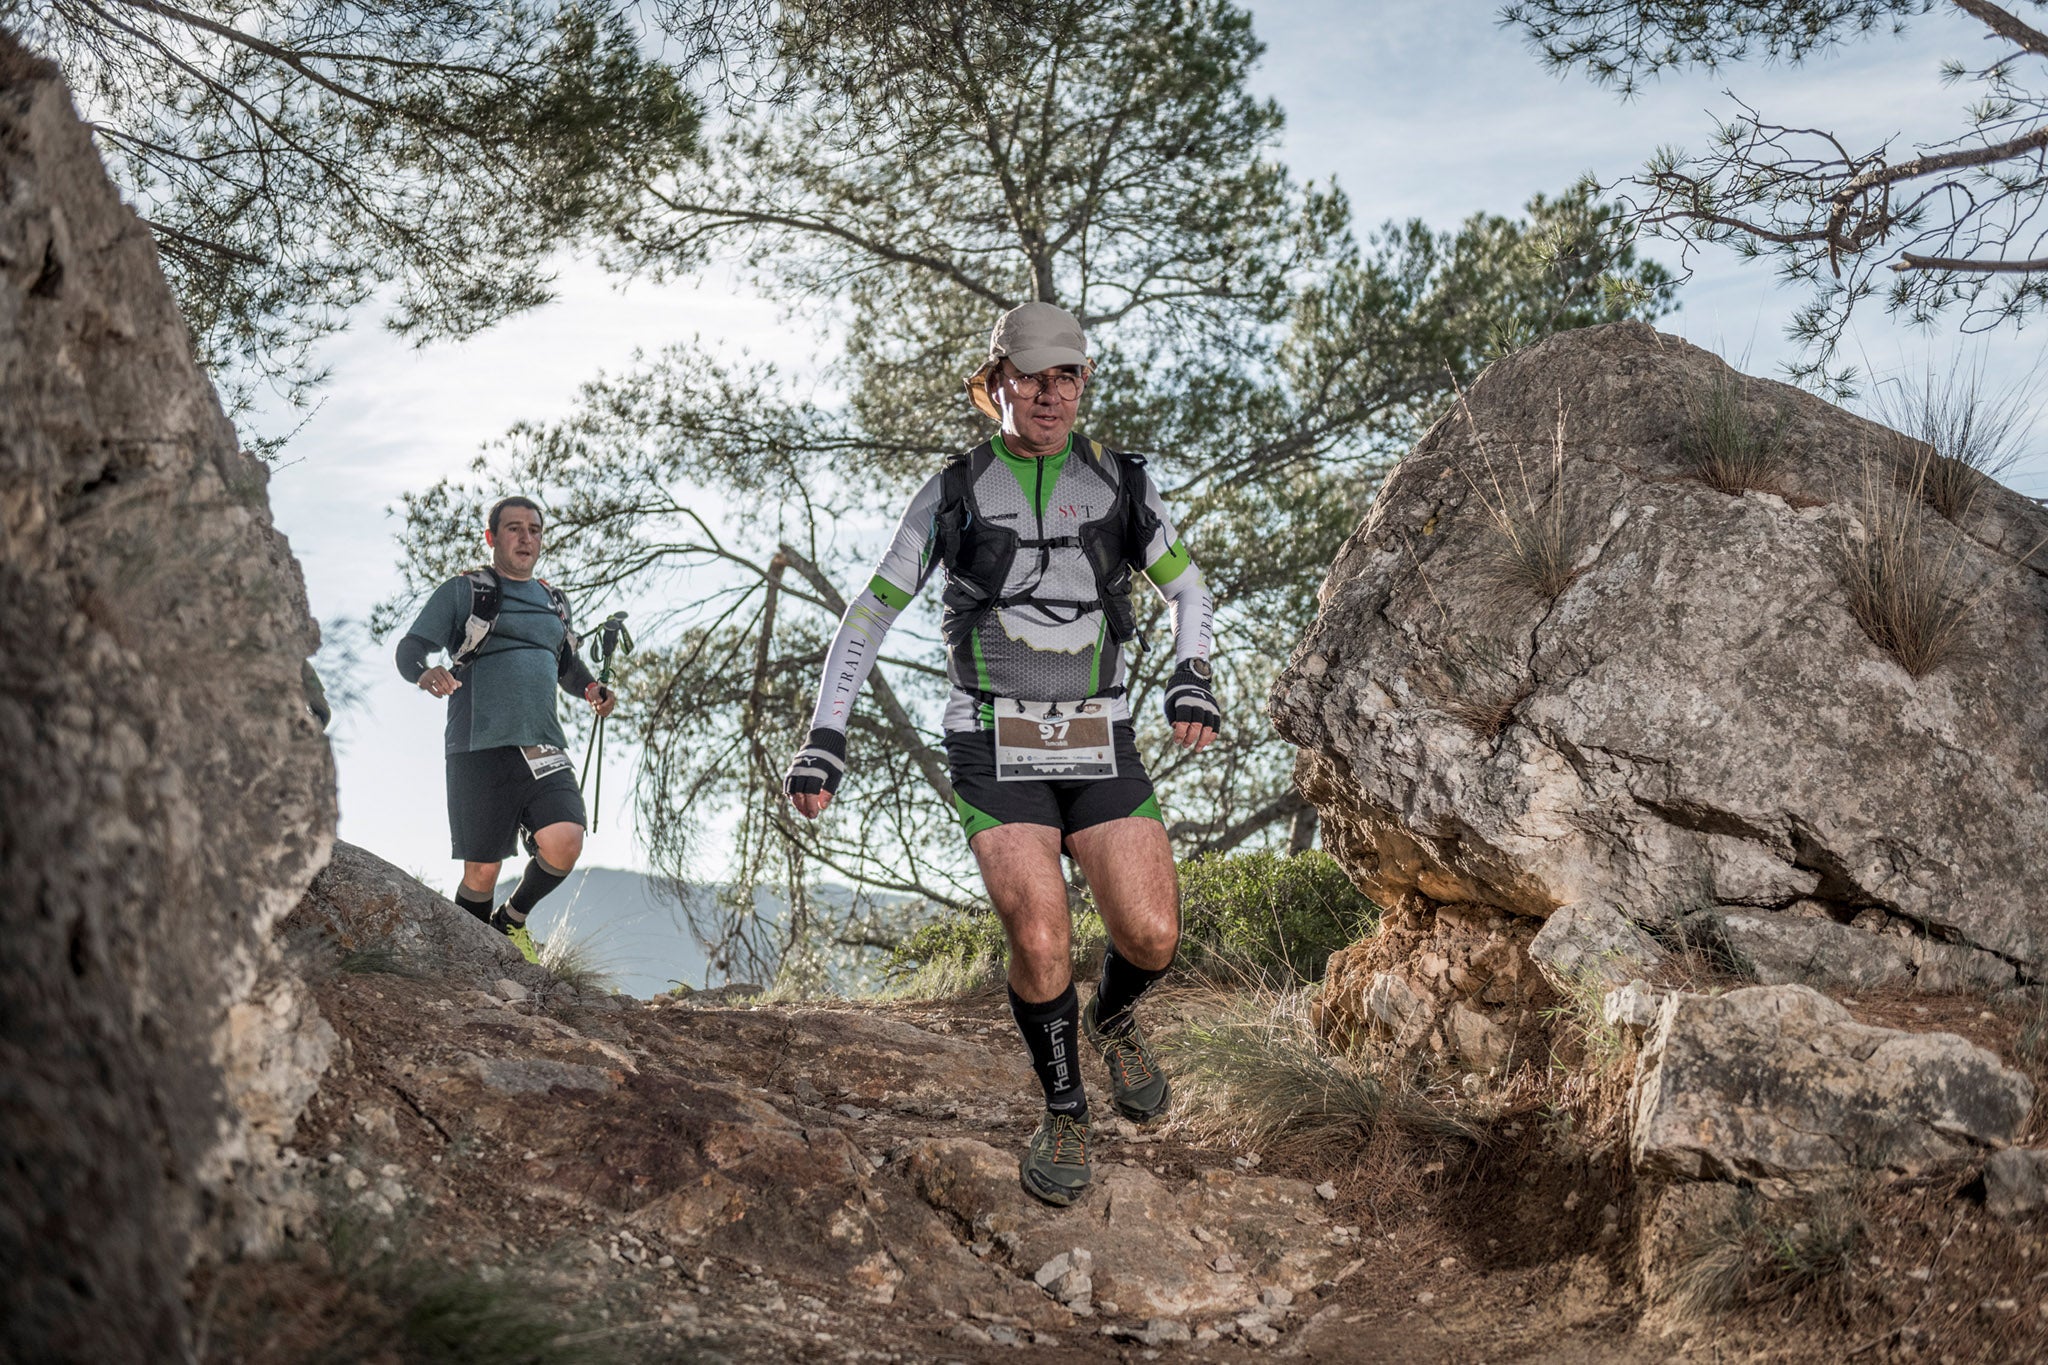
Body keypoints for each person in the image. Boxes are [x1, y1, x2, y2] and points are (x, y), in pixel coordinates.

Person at [783, 303, 1219, 1207]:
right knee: (1042, 934)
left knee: (1152, 934)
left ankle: (1116, 1017)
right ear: (999, 384)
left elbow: (1189, 590)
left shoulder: (1122, 484)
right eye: (1034, 376)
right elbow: (869, 613)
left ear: (1083, 383)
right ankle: (1064, 1105)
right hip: (990, 738)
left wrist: (1192, 677)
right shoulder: (951, 492)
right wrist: (827, 734)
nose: (1052, 393)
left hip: (1100, 734)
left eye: (1069, 376)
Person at [395, 496, 617, 958]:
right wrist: (424, 672)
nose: (526, 538)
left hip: (542, 743)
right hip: (477, 745)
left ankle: (509, 922)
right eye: (514, 529)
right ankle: (466, 961)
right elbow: (410, 646)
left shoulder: (554, 602)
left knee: (565, 840)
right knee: (482, 871)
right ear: (492, 537)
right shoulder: (466, 592)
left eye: (534, 530)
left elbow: (565, 664)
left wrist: (592, 688)